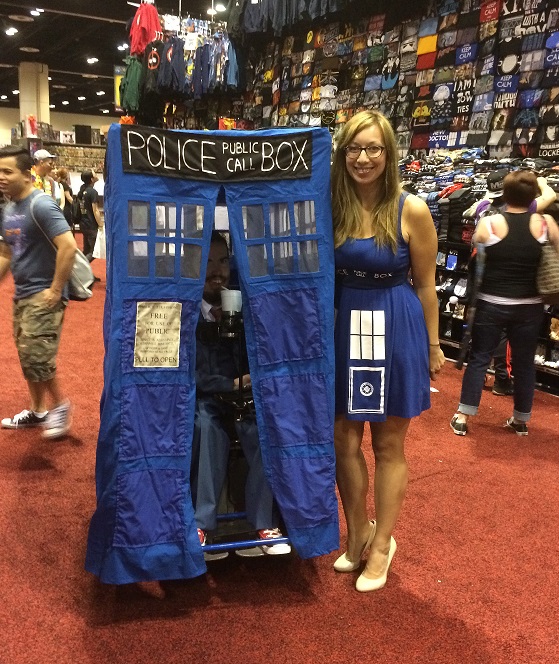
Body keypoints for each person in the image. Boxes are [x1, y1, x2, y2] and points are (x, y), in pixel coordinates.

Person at [331, 110, 445, 592]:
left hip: (395, 325)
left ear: (389, 153)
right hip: (343, 324)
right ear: (343, 152)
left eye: (373, 148)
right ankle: (358, 531)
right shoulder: (331, 204)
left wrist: (433, 346)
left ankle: (382, 544)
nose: (363, 158)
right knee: (342, 439)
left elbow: (426, 286)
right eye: (354, 148)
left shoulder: (411, 208)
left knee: (387, 444)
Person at [191, 231, 291, 560]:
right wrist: (229, 383)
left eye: (222, 261)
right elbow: (189, 373)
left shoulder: (244, 305)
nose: (216, 271)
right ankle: (201, 523)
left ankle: (263, 522)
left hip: (244, 396)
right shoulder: (186, 311)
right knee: (206, 428)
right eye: (207, 262)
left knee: (268, 429)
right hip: (208, 396)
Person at [450, 170, 559, 437]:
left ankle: (463, 415)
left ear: (504, 194)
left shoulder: (490, 224)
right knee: (524, 362)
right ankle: (521, 419)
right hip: (530, 306)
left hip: (491, 302)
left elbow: (477, 251)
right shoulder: (545, 224)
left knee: (479, 357)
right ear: (533, 196)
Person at [0, 145, 77, 439]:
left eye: (8, 171)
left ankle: (60, 406)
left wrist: (56, 289)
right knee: (26, 354)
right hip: (22, 294)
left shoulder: (41, 205)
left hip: (44, 293)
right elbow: (6, 253)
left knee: (37, 356)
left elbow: (68, 246)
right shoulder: (8, 210)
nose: (1, 177)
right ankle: (37, 410)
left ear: (26, 174)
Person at [77, 170, 102, 262]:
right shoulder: (92, 192)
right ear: (92, 179)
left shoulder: (82, 190)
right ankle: (81, 267)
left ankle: (81, 268)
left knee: (86, 250)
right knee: (94, 251)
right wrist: (100, 224)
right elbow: (95, 210)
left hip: (83, 223)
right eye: (94, 173)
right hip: (91, 224)